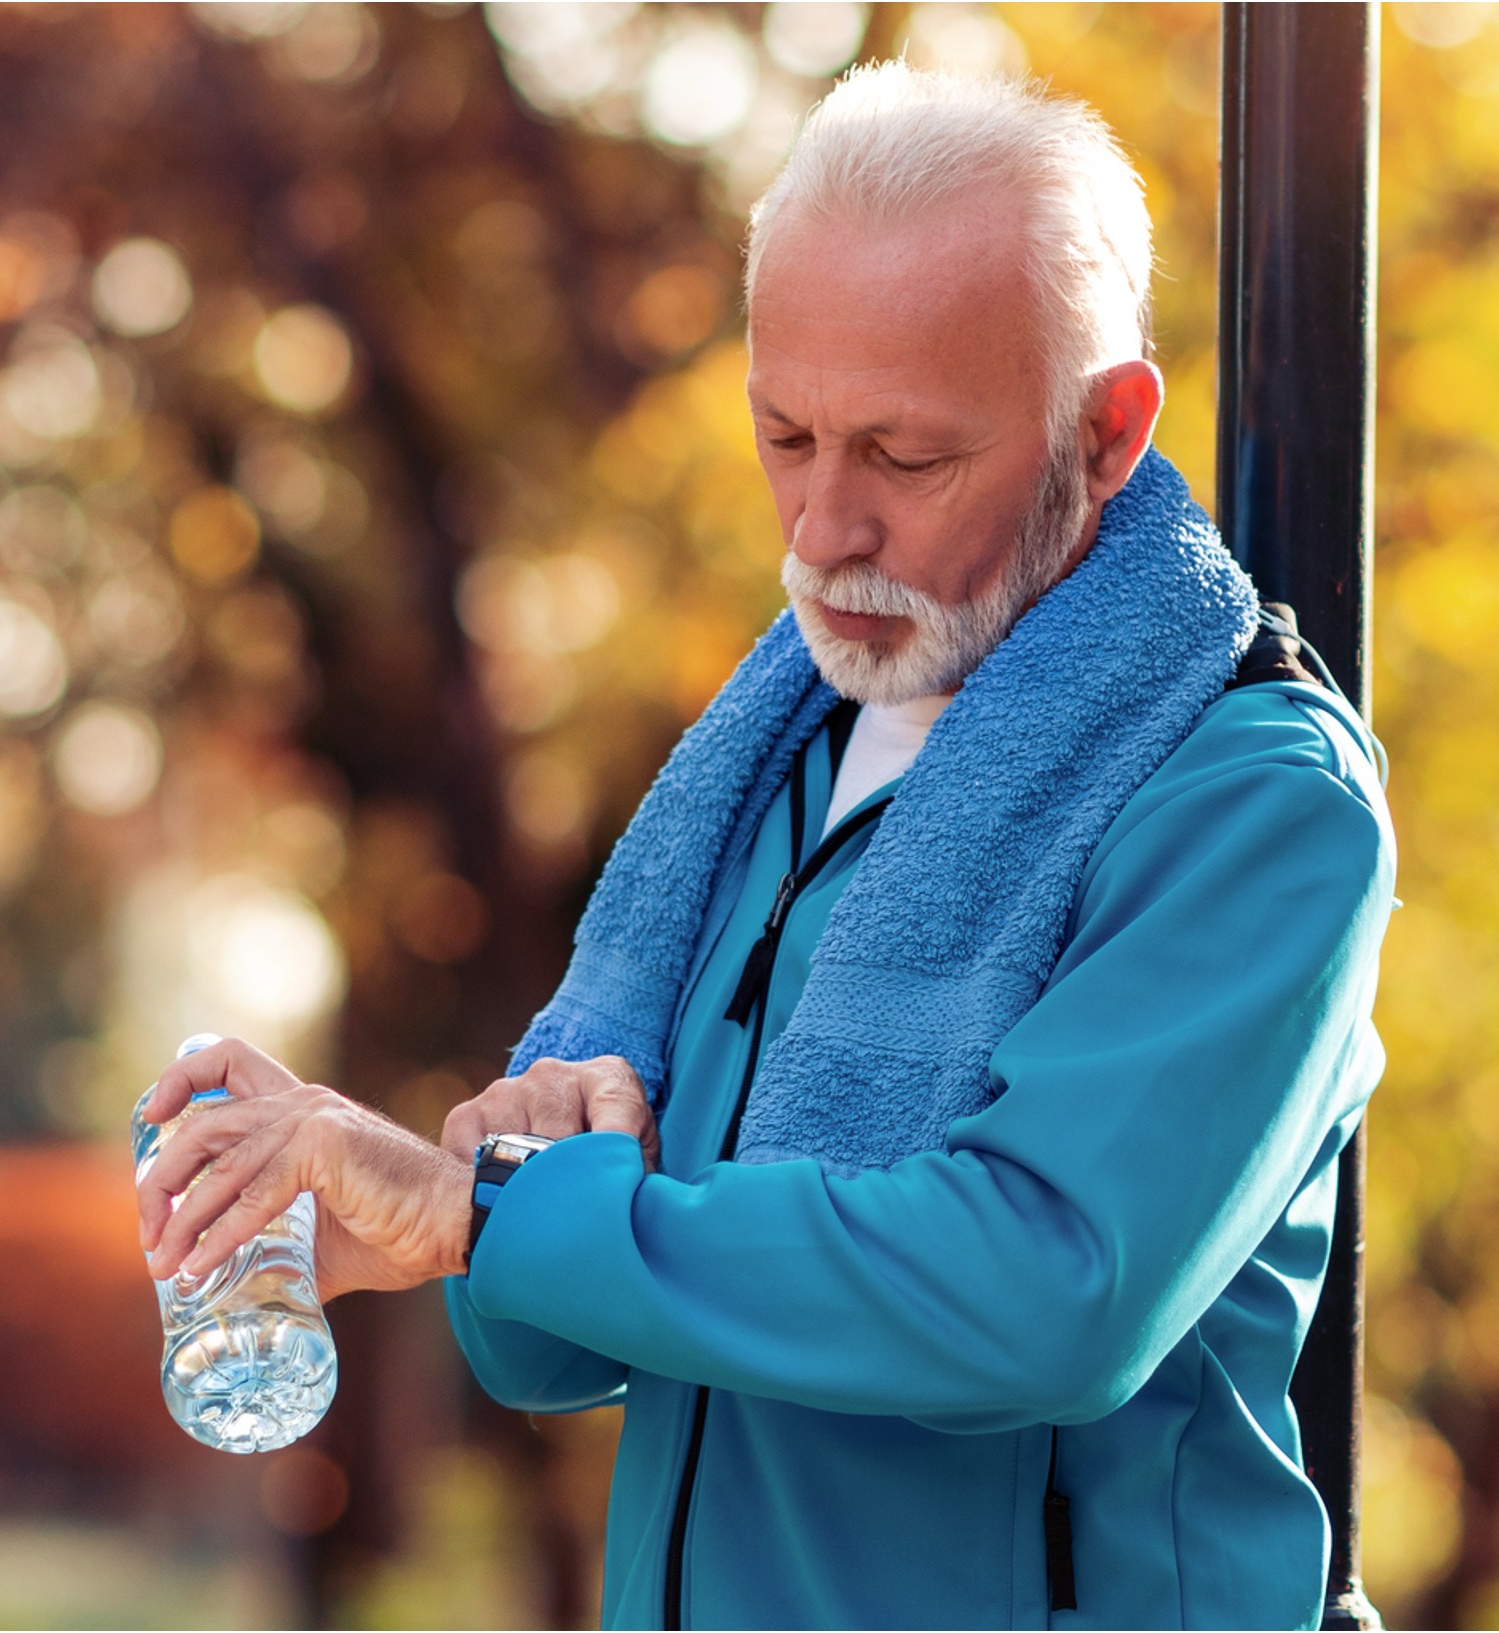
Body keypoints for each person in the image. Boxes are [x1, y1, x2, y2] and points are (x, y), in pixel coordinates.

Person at [135, 63, 1392, 1630]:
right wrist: (450, 1209)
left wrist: (490, 1211)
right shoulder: (775, 756)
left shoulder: (1255, 798)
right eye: (786, 434)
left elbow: (1044, 1290)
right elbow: (559, 1331)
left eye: (905, 457)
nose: (822, 527)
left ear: (1111, 428)